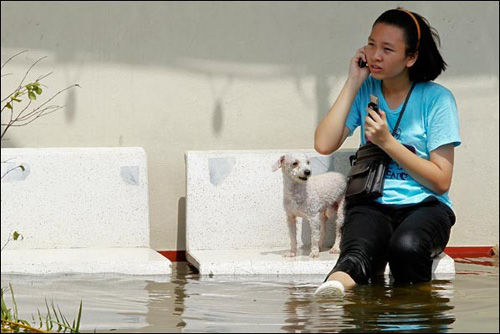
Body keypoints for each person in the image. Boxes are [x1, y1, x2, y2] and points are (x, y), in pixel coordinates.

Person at [313, 8, 461, 297]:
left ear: (411, 57)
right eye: (371, 44)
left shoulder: (437, 99)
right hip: (371, 203)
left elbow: (441, 181)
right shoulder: (365, 88)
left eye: (387, 49)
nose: (375, 55)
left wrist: (387, 141)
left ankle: (414, 318)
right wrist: (353, 80)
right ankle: (331, 296)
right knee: (355, 255)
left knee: (406, 248)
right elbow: (323, 143)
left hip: (427, 206)